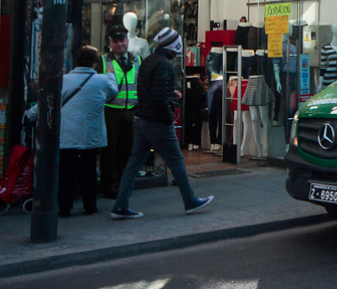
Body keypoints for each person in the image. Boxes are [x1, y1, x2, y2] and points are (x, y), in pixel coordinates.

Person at [111, 28, 213, 219]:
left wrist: (169, 93)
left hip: (141, 119)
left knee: (133, 164)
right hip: (156, 121)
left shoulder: (148, 61)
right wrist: (168, 117)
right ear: (173, 45)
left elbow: (149, 90)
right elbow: (157, 97)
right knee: (176, 160)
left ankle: (120, 204)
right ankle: (190, 200)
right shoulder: (164, 65)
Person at [26, 46, 118, 217]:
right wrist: (111, 73)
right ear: (94, 63)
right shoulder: (102, 80)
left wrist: (29, 115)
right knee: (89, 170)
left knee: (66, 171)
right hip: (91, 134)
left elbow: (48, 102)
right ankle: (90, 206)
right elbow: (114, 91)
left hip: (67, 134)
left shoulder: (64, 80)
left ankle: (64, 207)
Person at [99, 25, 141, 199]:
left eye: (122, 40)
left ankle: (124, 183)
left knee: (128, 149)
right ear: (110, 43)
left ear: (127, 40)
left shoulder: (137, 60)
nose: (120, 44)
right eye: (115, 41)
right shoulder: (103, 61)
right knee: (109, 150)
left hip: (131, 111)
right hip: (110, 111)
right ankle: (110, 185)